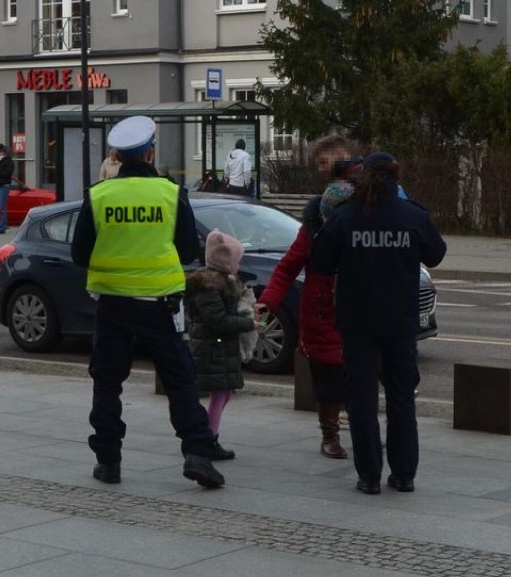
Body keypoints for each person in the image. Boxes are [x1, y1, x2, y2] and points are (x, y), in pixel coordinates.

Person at [71, 115, 226, 488]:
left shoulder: (99, 194)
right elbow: (189, 249)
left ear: (118, 157)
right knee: (180, 381)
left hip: (112, 305)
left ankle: (108, 461)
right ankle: (197, 454)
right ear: (150, 152)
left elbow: (79, 254)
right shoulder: (170, 193)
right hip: (159, 304)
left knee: (107, 384)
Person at [311, 152, 447, 495]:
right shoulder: (411, 214)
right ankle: (404, 475)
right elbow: (436, 253)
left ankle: (369, 475)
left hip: (357, 321)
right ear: (396, 177)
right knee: (402, 398)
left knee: (361, 400)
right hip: (400, 321)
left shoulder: (346, 216)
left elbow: (322, 263)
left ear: (362, 176)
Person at [256, 135, 357, 460]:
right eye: (321, 165)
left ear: (346, 159)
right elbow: (287, 267)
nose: (323, 170)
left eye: (326, 162)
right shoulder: (314, 219)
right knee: (328, 379)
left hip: (357, 310)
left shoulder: (369, 209)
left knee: (358, 375)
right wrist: (268, 302)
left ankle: (364, 430)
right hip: (322, 311)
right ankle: (330, 435)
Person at [186, 230, 257, 461]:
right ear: (226, 262)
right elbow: (218, 321)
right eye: (236, 261)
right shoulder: (208, 287)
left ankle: (208, 437)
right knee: (219, 395)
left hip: (220, 348)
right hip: (212, 348)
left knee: (225, 394)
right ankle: (209, 440)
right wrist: (248, 323)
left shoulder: (224, 283)